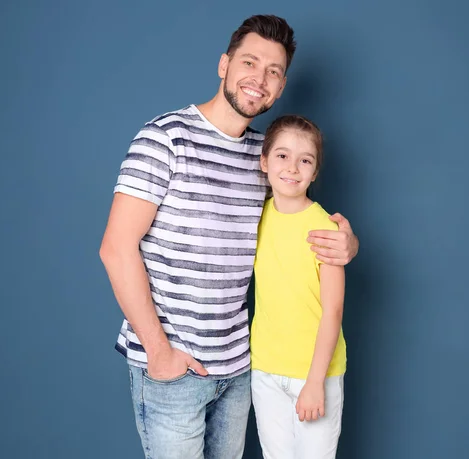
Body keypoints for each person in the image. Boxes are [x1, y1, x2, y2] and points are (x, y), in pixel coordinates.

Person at [99, 15, 358, 459]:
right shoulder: (164, 139)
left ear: (281, 86)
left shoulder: (264, 158)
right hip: (173, 372)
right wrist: (160, 354)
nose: (259, 79)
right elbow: (116, 250)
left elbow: (296, 222)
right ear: (224, 65)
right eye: (250, 62)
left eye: (273, 71)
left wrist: (346, 243)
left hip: (239, 371)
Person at [251, 115, 346, 459]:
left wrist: (315, 383)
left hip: (315, 374)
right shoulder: (255, 218)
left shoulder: (325, 230)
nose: (292, 168)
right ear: (264, 161)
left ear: (315, 171)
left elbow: (333, 311)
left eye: (305, 160)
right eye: (282, 156)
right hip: (265, 371)